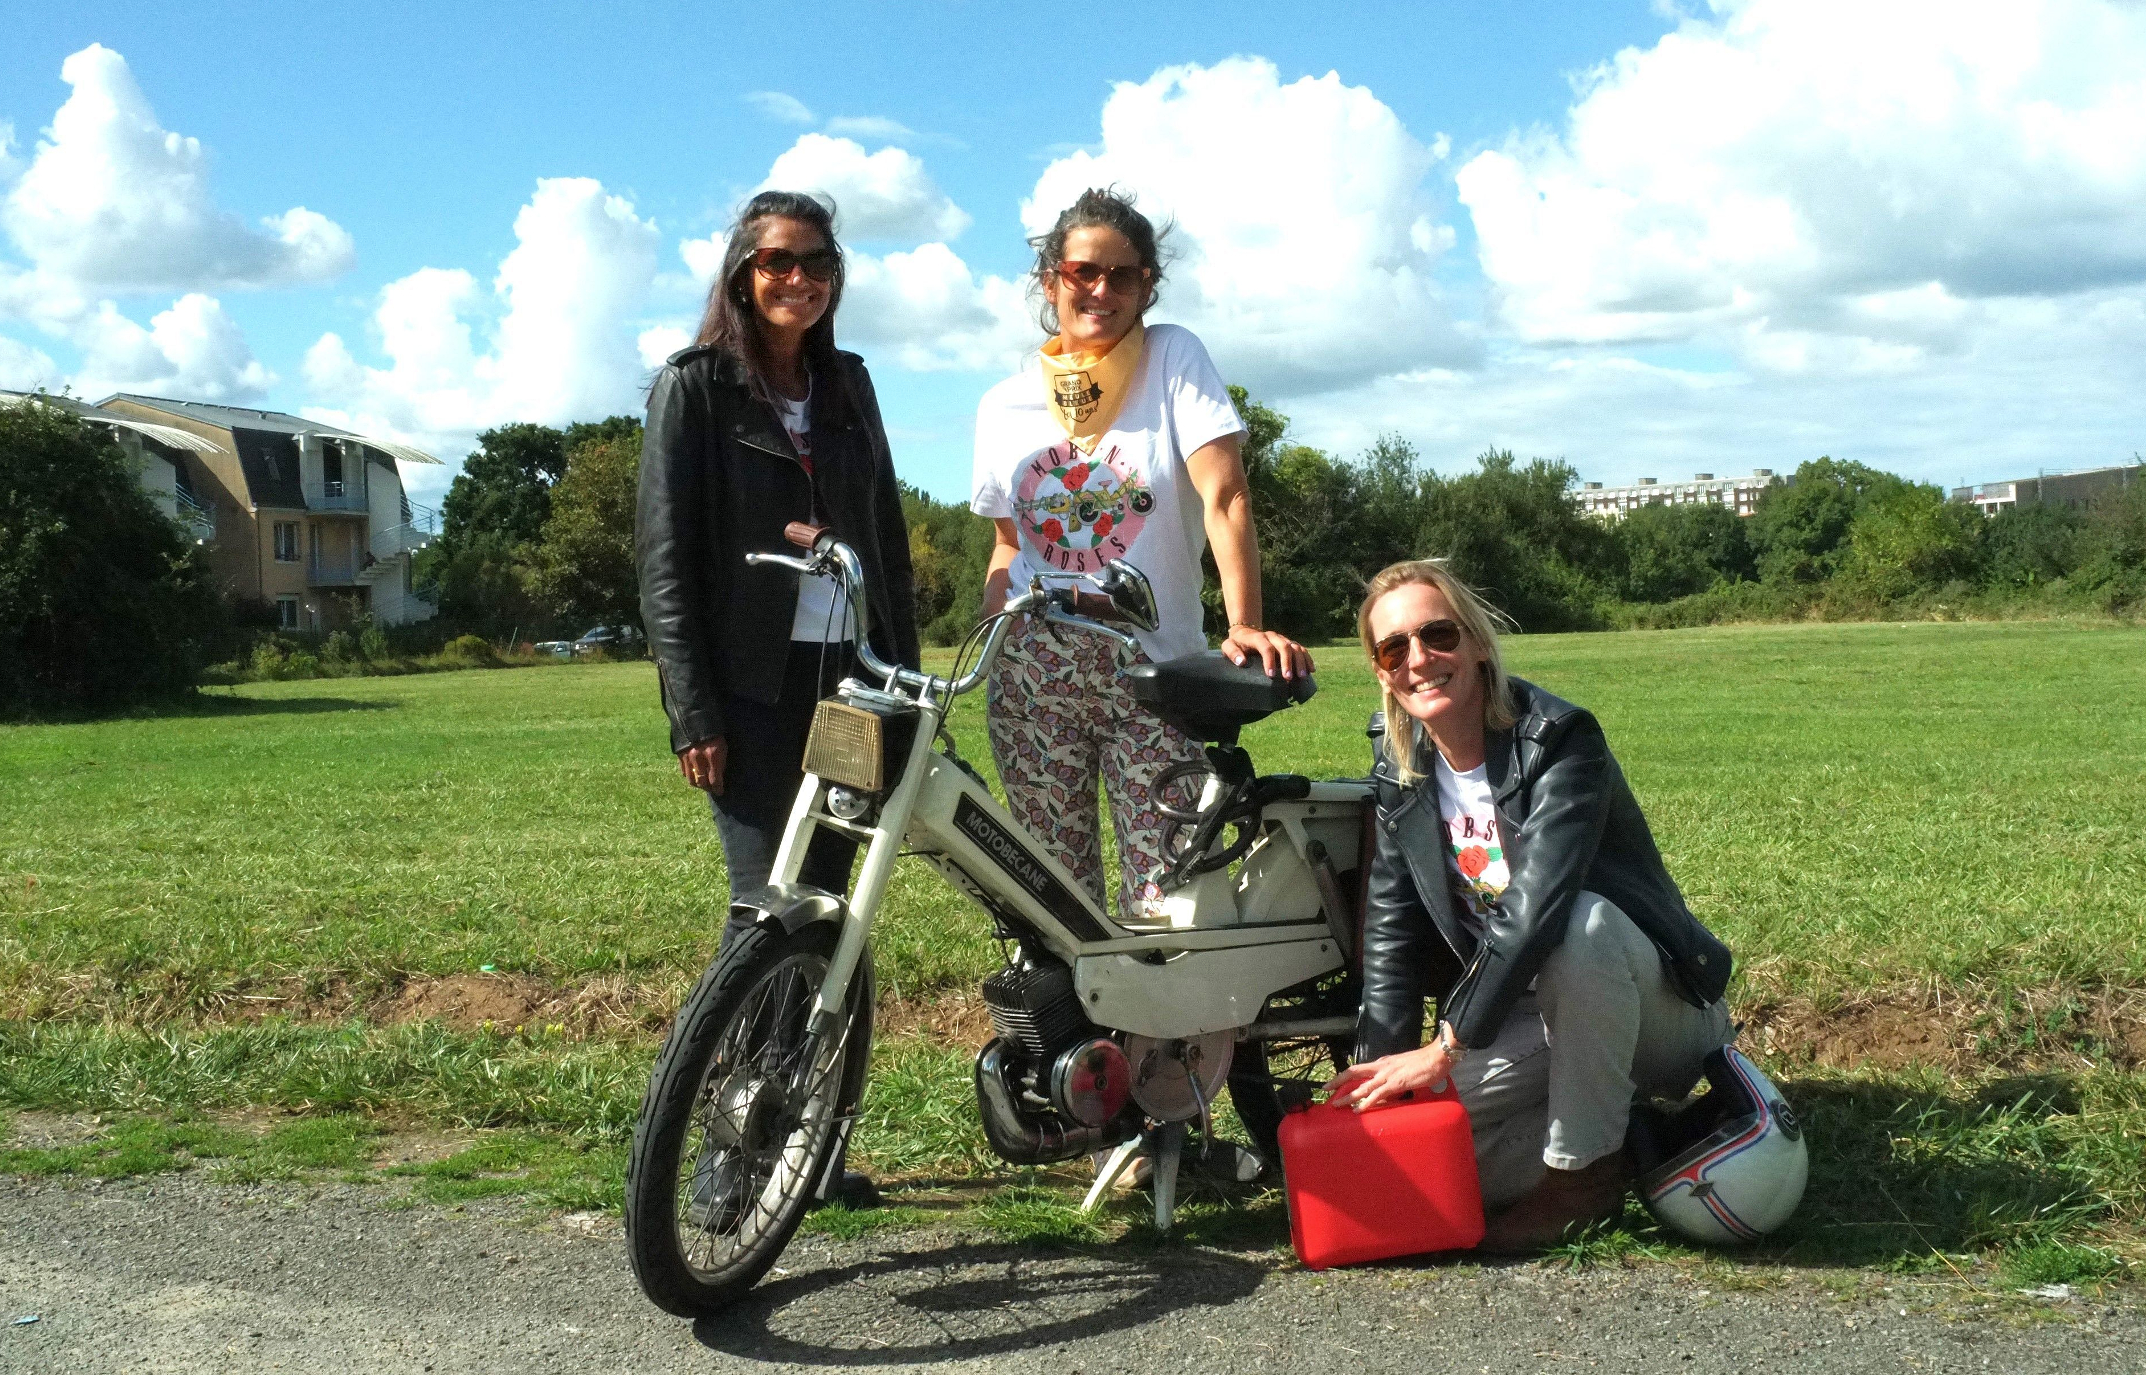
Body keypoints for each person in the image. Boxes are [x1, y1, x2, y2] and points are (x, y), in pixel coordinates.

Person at [636, 191, 920, 1212]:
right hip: (749, 695)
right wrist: (691, 709)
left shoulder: (848, 384)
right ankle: (723, 1142)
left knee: (834, 916)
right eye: (775, 261)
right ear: (741, 273)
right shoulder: (697, 388)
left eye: (814, 262)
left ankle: (810, 1145)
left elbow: (882, 536)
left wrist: (905, 681)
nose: (795, 278)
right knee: (768, 914)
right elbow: (665, 566)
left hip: (847, 685)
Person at [1324, 559, 1735, 1252]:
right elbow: (1389, 938)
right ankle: (1633, 1141)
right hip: (1523, 1025)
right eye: (1394, 648)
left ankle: (1581, 1177)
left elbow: (1535, 912)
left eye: (1438, 634)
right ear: (1379, 670)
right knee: (1426, 1147)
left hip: (1648, 1008)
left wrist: (1446, 1046)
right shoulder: (1401, 766)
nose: (1419, 659)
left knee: (1582, 924)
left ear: (1478, 642)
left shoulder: (1561, 741)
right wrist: (1380, 1087)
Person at [969, 187, 1311, 924]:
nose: (1101, 290)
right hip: (1034, 671)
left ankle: (1171, 1040)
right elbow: (1006, 544)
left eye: (1123, 276)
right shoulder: (1002, 405)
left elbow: (1225, 498)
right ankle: (1074, 1041)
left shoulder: (1172, 360)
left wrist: (1244, 621)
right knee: (1051, 898)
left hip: (1151, 664)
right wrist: (988, 639)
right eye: (1083, 271)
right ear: (1049, 279)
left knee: (1166, 898)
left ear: (1147, 285)